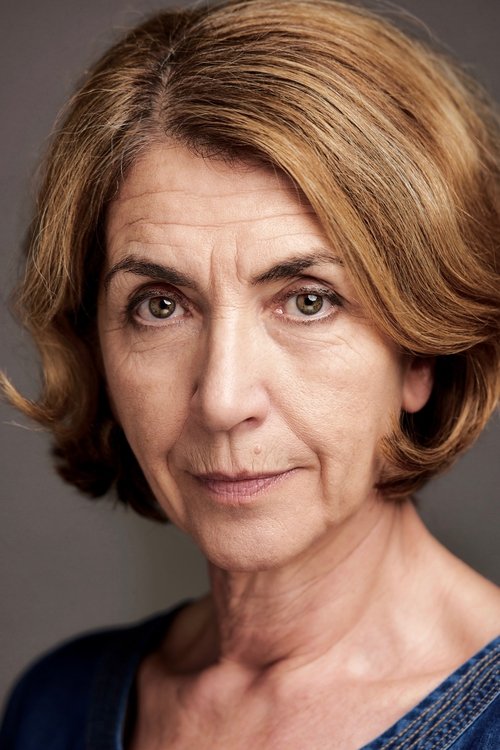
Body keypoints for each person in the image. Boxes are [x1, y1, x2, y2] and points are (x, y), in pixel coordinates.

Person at [1, 0, 499, 747]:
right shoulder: (52, 709)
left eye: (308, 300)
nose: (224, 399)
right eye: (160, 305)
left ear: (421, 353)